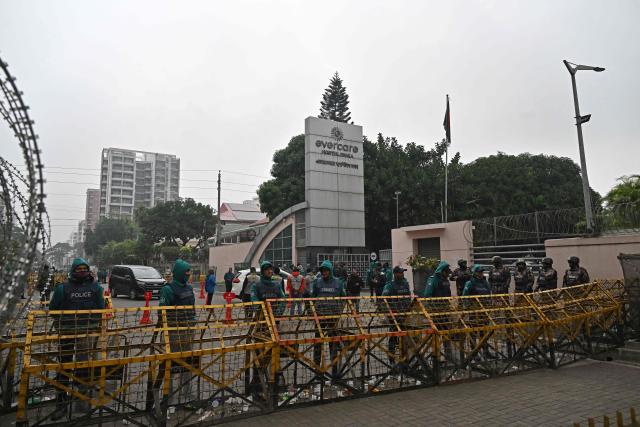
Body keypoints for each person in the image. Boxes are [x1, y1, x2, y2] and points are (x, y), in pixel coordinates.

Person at [49, 258, 105, 420]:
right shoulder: (62, 288)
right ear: (73, 271)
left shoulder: (96, 288)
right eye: (78, 269)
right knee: (64, 366)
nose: (82, 271)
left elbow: (100, 308)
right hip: (66, 333)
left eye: (84, 269)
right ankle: (61, 404)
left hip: (86, 334)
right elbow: (53, 309)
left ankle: (82, 401)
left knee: (83, 366)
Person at [158, 259, 197, 407]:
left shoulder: (189, 287)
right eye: (186, 272)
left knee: (187, 363)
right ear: (180, 272)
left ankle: (186, 396)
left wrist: (193, 321)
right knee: (171, 365)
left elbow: (192, 307)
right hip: (173, 332)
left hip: (188, 330)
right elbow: (162, 312)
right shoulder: (167, 289)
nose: (188, 274)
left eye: (189, 272)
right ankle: (168, 397)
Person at [311, 260, 346, 375]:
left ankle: (334, 369)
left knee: (333, 343)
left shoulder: (338, 283)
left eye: (326, 270)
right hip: (320, 316)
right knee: (318, 342)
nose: (324, 272)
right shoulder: (317, 283)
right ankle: (317, 368)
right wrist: (313, 312)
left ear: (330, 271)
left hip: (333, 317)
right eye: (322, 270)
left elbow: (344, 298)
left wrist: (339, 311)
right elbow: (312, 297)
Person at [382, 266, 413, 369]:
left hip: (405, 315)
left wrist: (409, 309)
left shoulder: (405, 284)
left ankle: (405, 359)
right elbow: (384, 300)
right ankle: (392, 360)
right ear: (395, 274)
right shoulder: (389, 285)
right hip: (394, 316)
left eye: (402, 272)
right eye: (400, 273)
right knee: (394, 338)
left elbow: (408, 297)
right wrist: (389, 314)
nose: (402, 274)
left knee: (405, 338)